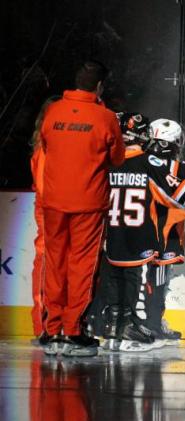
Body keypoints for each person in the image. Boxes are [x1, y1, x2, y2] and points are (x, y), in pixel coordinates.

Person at [100, 116, 185, 352]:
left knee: (119, 284)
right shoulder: (148, 164)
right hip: (147, 237)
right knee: (142, 285)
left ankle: (116, 327)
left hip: (115, 235)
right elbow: (180, 197)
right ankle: (141, 327)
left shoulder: (109, 162)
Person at [39, 61, 125, 357]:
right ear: (99, 86)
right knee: (82, 266)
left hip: (53, 200)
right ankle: (73, 331)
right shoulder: (105, 117)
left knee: (55, 263)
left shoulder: (53, 111)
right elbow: (117, 158)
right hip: (88, 203)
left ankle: (52, 330)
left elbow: (47, 145)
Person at [29, 95, 60, 344]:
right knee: (47, 260)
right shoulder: (44, 148)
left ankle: (57, 323)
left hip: (63, 208)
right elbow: (43, 187)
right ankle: (43, 324)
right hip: (50, 210)